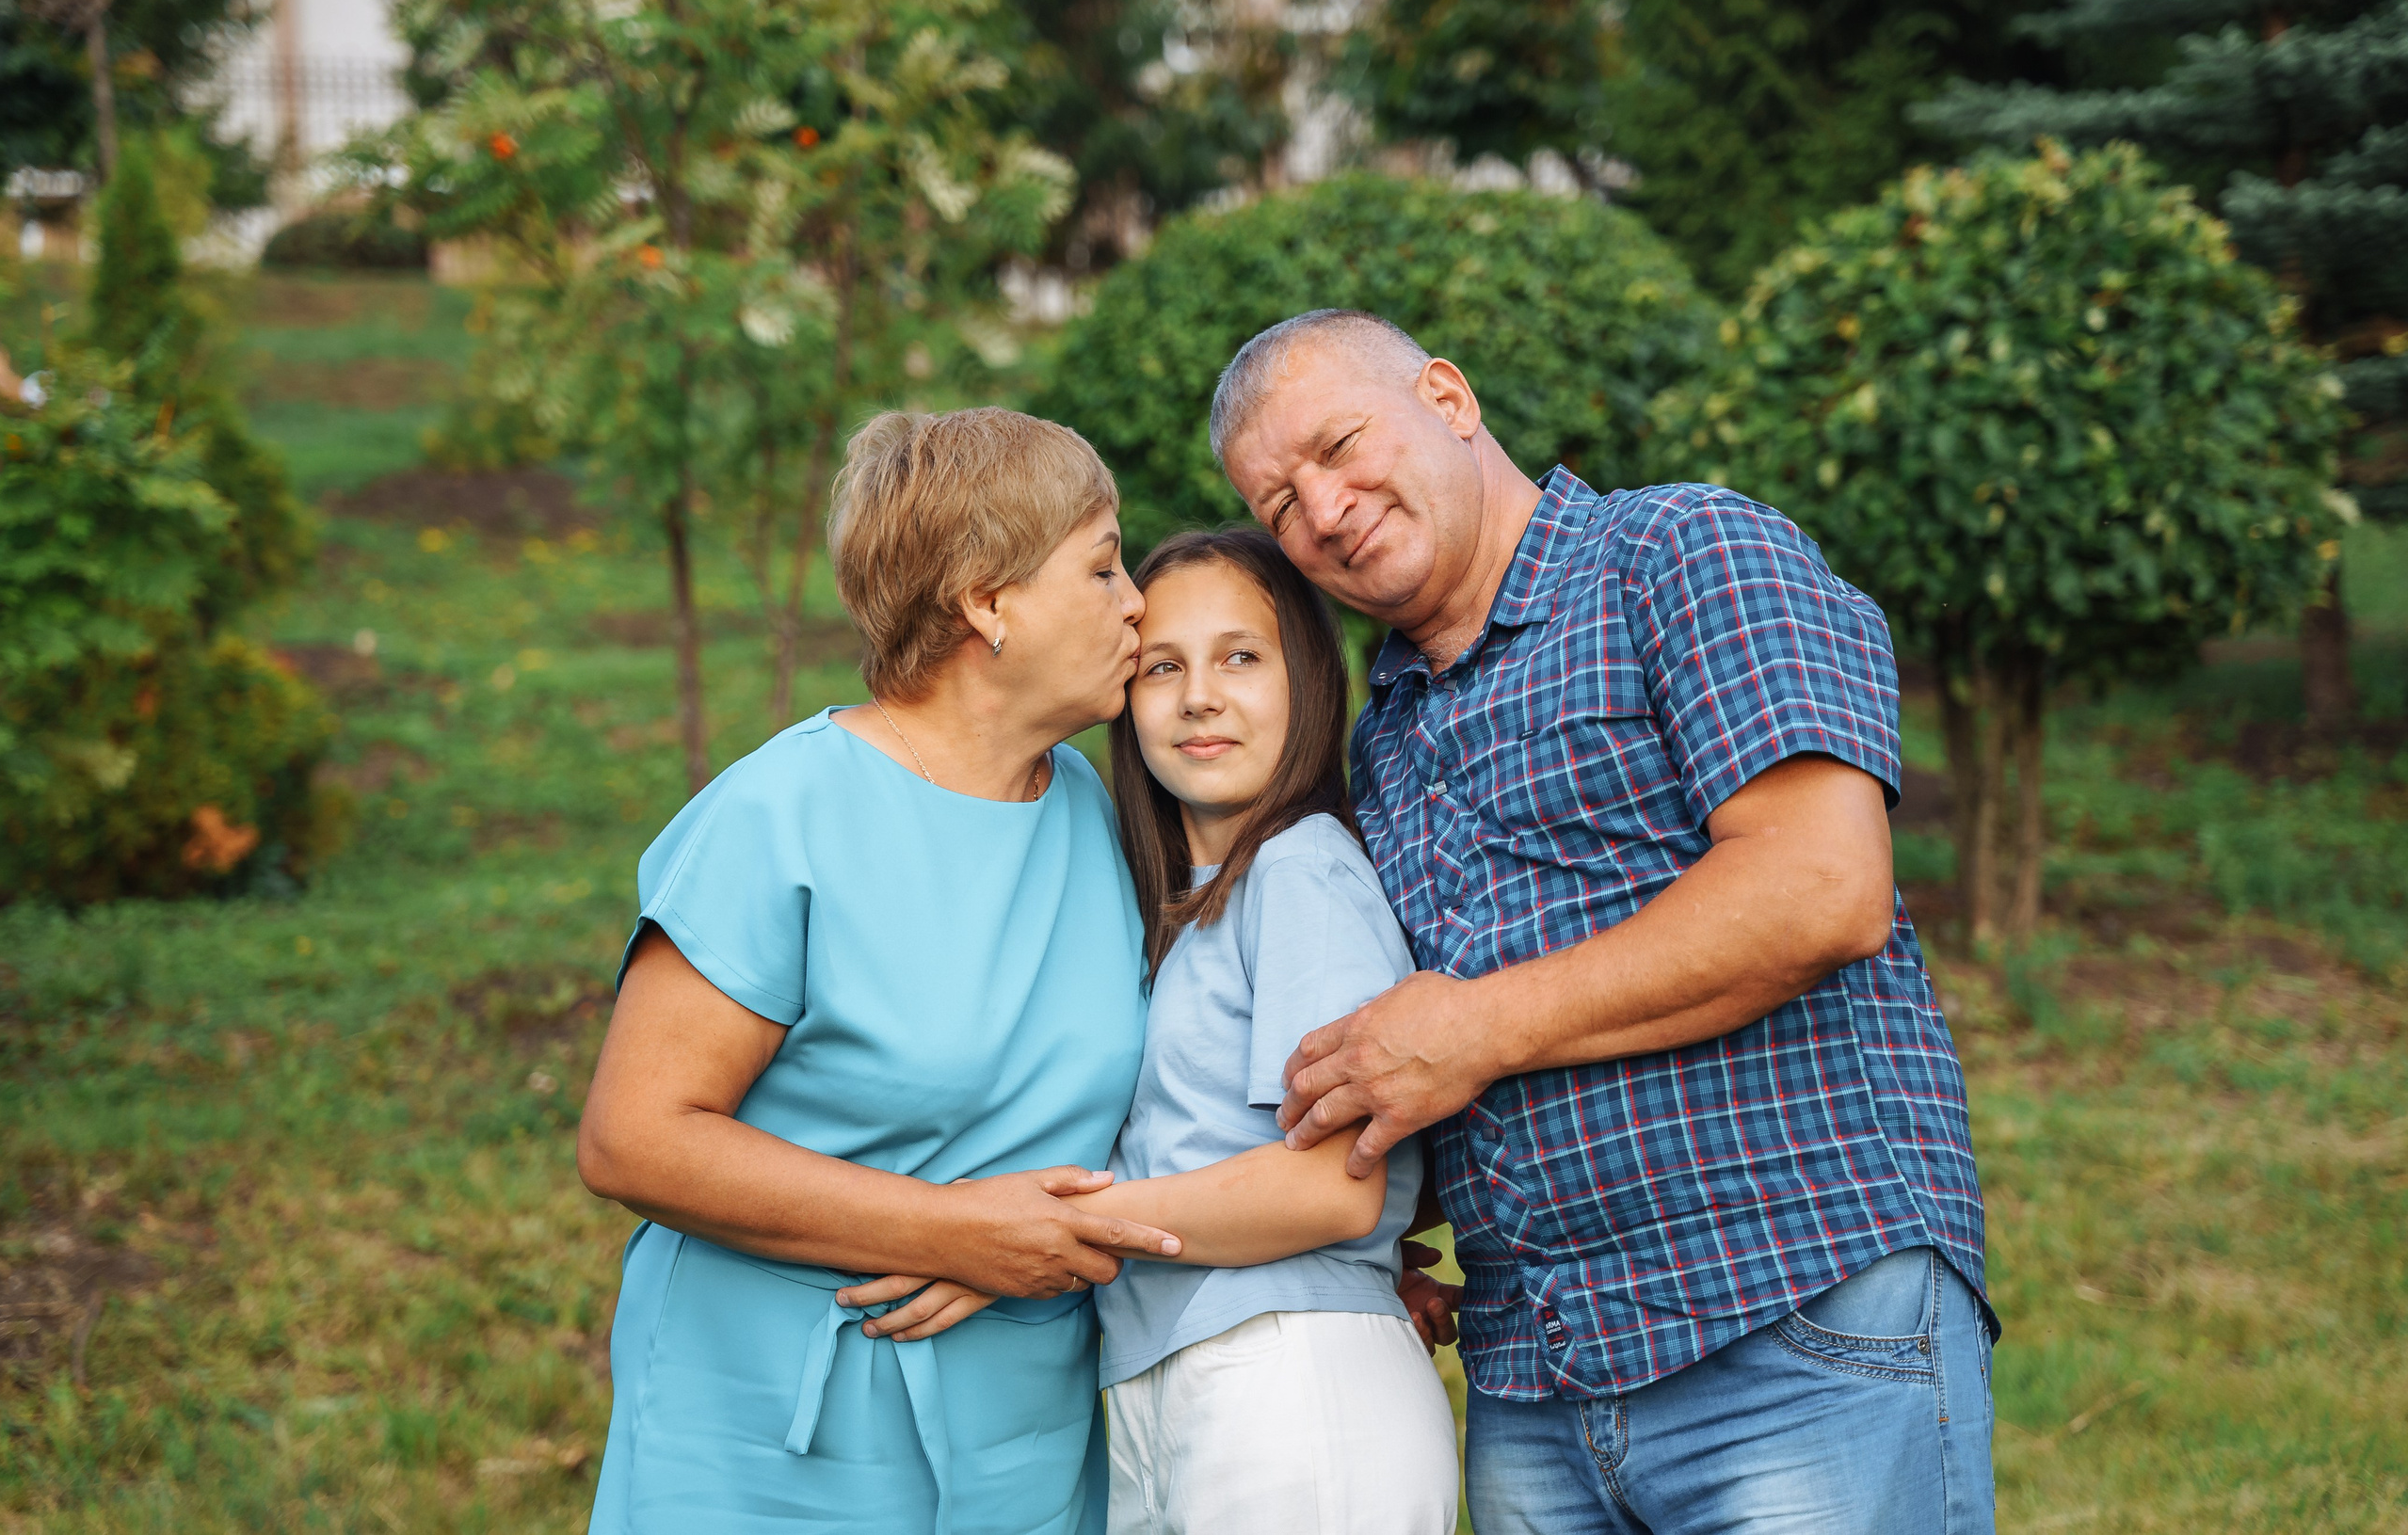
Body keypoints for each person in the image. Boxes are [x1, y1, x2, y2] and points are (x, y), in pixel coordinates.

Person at [1212, 310, 1999, 1534]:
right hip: (1539, 1374)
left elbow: (1820, 887)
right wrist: (1386, 1228)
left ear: (1448, 397)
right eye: (1279, 504)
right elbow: (1431, 1036)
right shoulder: (1385, 735)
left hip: (1788, 1310)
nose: (1321, 507)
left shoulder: (1682, 550)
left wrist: (1474, 1028)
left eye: (1340, 444)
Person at [576, 407, 1180, 1535]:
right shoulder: (781, 816)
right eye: (1101, 567)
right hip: (774, 1437)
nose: (1136, 600)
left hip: (1025, 1434)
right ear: (986, 602)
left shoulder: (1092, 805)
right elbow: (633, 1134)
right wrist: (941, 1229)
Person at [854, 528, 1461, 1533]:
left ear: (1306, 677)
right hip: (1163, 1378)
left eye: (1240, 657)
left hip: (1284, 1374)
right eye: (1163, 666)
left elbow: (1330, 1186)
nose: (1199, 697)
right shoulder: (1162, 902)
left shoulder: (1301, 869)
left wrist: (1042, 1234)